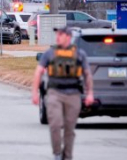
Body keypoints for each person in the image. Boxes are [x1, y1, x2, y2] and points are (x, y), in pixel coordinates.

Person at [32, 26, 94, 160]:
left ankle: (67, 156)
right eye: (57, 34)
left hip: (73, 95)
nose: (57, 37)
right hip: (55, 93)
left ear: (68, 37)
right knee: (54, 124)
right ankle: (57, 153)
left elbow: (87, 74)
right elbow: (38, 72)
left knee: (69, 128)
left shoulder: (79, 54)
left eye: (60, 34)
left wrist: (90, 94)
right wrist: (35, 93)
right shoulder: (50, 53)